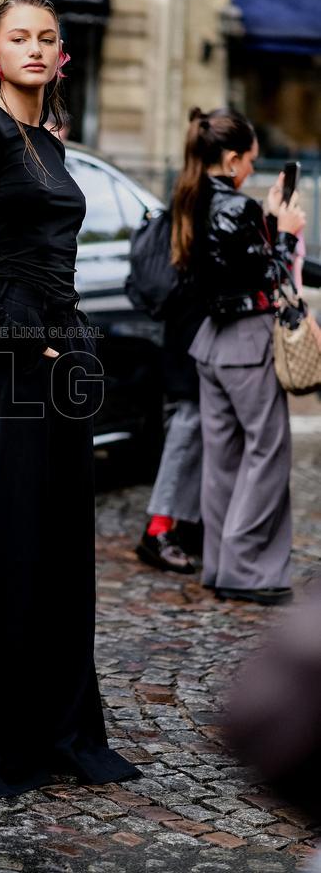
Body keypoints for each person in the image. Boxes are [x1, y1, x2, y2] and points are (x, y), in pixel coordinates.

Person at [0, 0, 140, 798]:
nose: (34, 48)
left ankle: (58, 726)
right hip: (13, 355)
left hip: (64, 351)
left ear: (61, 55)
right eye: (18, 37)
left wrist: (69, 345)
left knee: (57, 547)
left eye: (46, 38)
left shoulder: (49, 143)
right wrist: (21, 339)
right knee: (7, 543)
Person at [183, 107, 306, 606]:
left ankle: (220, 563)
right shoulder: (236, 207)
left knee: (223, 460)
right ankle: (247, 570)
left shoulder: (189, 196)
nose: (252, 170)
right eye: (250, 161)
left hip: (211, 340)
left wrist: (272, 219)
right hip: (246, 341)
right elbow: (269, 275)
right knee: (266, 455)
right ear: (232, 159)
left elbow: (233, 266)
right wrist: (289, 229)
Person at [135, 194, 207, 575]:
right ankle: (159, 528)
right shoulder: (205, 205)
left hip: (183, 333)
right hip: (194, 335)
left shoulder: (186, 200)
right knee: (188, 425)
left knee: (188, 425)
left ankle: (183, 524)